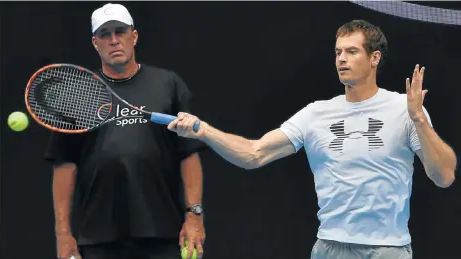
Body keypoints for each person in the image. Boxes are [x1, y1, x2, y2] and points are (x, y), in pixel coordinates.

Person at [168, 20, 457, 258]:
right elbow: (254, 153)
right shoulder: (316, 114)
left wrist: (419, 119)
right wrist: (203, 130)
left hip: (388, 249)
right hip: (328, 248)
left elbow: (443, 175)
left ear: (374, 58)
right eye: (337, 52)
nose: (342, 59)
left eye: (352, 51)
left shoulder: (405, 110)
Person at [45, 3, 207, 259]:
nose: (114, 40)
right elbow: (65, 166)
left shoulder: (168, 84)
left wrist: (194, 215)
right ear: (95, 43)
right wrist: (63, 234)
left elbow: (188, 154)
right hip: (98, 238)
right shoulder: (79, 95)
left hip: (163, 233)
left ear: (134, 36)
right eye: (105, 34)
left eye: (120, 31)